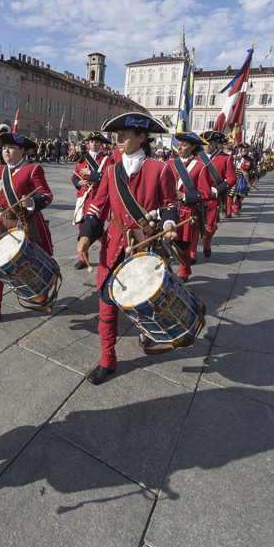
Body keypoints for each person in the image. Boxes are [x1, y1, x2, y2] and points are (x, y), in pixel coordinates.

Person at [76, 112, 180, 386]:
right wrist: (87, 234)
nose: (118, 140)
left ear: (141, 138)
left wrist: (169, 223)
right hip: (113, 247)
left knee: (147, 301)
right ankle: (107, 359)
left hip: (146, 246)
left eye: (124, 136)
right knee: (106, 306)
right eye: (117, 136)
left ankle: (149, 331)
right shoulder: (110, 169)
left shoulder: (160, 168)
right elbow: (98, 206)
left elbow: (170, 202)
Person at [0, 131, 54, 325]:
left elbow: (46, 195)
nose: (6, 151)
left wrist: (32, 201)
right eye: (4, 148)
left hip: (21, 225)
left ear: (22, 151)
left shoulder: (33, 169)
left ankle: (41, 294)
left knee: (30, 263)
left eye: (11, 148)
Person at [162, 132, 214, 280]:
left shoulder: (201, 167)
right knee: (163, 244)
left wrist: (183, 196)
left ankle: (185, 272)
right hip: (167, 209)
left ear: (192, 147)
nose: (179, 148)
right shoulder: (168, 164)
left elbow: (205, 194)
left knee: (182, 246)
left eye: (184, 145)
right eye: (178, 145)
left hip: (186, 212)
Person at [71, 132, 112, 269]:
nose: (93, 144)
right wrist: (78, 182)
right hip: (84, 197)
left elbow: (108, 177)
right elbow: (74, 176)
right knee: (82, 228)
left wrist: (90, 174)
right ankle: (83, 258)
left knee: (98, 228)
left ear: (101, 144)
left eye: (96, 142)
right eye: (91, 142)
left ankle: (106, 255)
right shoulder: (83, 158)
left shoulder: (107, 159)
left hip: (98, 197)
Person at [198, 130, 234, 257]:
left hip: (213, 197)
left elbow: (231, 178)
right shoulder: (196, 157)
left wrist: (217, 190)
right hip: (197, 197)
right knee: (193, 226)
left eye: (211, 143)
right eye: (205, 143)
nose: (208, 146)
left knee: (210, 226)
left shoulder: (226, 158)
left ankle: (207, 244)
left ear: (216, 143)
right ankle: (192, 253)